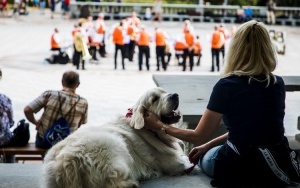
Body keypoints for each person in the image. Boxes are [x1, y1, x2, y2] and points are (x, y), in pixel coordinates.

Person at [143, 20, 300, 187]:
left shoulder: (227, 86)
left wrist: (160, 125)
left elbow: (198, 136)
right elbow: (253, 130)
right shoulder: (277, 83)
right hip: (277, 162)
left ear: (236, 50)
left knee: (206, 158)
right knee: (210, 150)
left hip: (242, 163)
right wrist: (208, 144)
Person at [24, 71, 88, 149]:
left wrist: (35, 122)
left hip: (44, 141)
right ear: (78, 84)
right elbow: (81, 123)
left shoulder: (49, 94)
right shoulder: (83, 102)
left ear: (62, 82)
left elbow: (27, 110)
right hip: (66, 144)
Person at [0, 69, 15, 163]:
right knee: (10, 138)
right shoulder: (4, 99)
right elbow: (11, 122)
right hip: (2, 139)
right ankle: (10, 166)